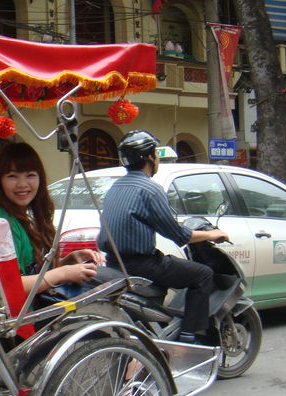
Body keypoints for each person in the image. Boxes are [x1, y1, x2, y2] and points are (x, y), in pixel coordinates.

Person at [97, 130, 229, 344]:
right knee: (203, 274)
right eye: (156, 154)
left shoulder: (116, 186)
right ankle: (190, 335)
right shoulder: (150, 189)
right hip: (142, 265)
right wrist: (211, 234)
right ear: (150, 157)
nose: (157, 158)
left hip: (113, 261)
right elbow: (178, 234)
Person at [0, 142, 101, 298]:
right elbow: (9, 287)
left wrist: (68, 262)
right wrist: (63, 273)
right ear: (0, 180)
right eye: (12, 176)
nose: (22, 184)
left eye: (30, 175)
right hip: (22, 312)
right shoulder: (1, 222)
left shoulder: (26, 215)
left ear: (40, 178)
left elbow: (33, 272)